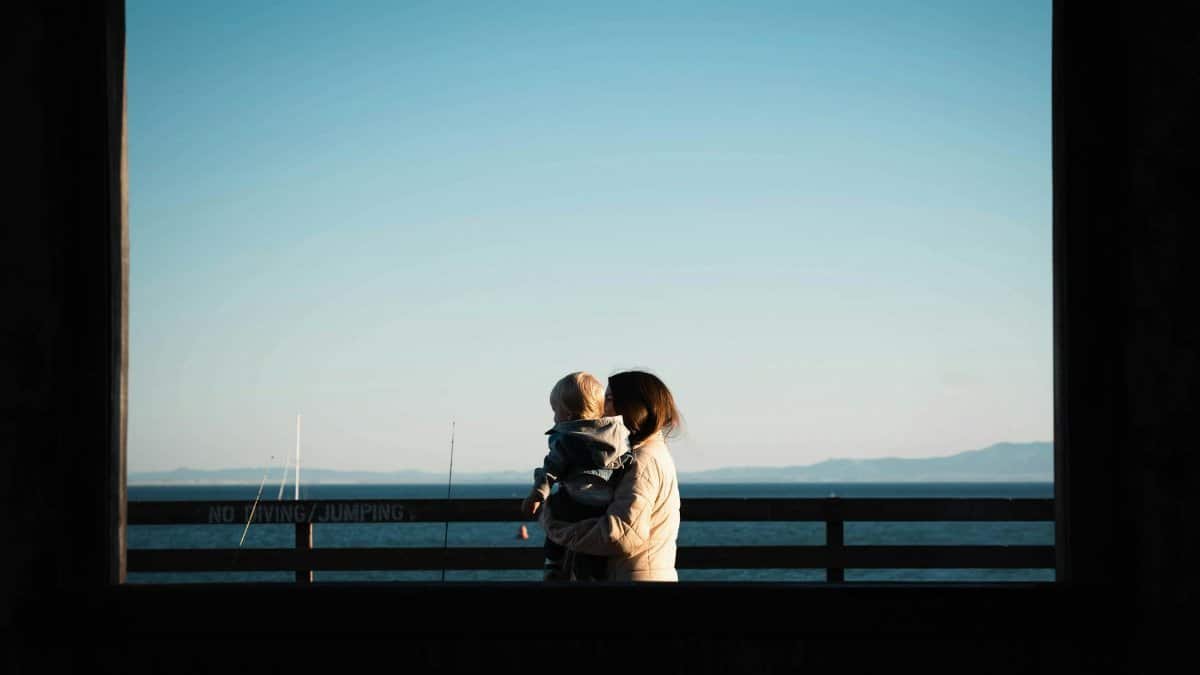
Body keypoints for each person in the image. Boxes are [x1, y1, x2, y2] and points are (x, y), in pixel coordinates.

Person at [538, 370, 682, 582]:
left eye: (609, 399)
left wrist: (556, 529)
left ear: (634, 405)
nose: (601, 410)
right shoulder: (642, 454)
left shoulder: (643, 460)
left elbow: (621, 535)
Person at [521, 372, 633, 581]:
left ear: (569, 415)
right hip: (604, 506)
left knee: (554, 507)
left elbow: (551, 470)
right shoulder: (619, 434)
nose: (554, 418)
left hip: (575, 501)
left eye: (556, 412)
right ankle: (593, 573)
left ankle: (553, 562)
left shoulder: (566, 439)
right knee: (591, 550)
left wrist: (537, 495)